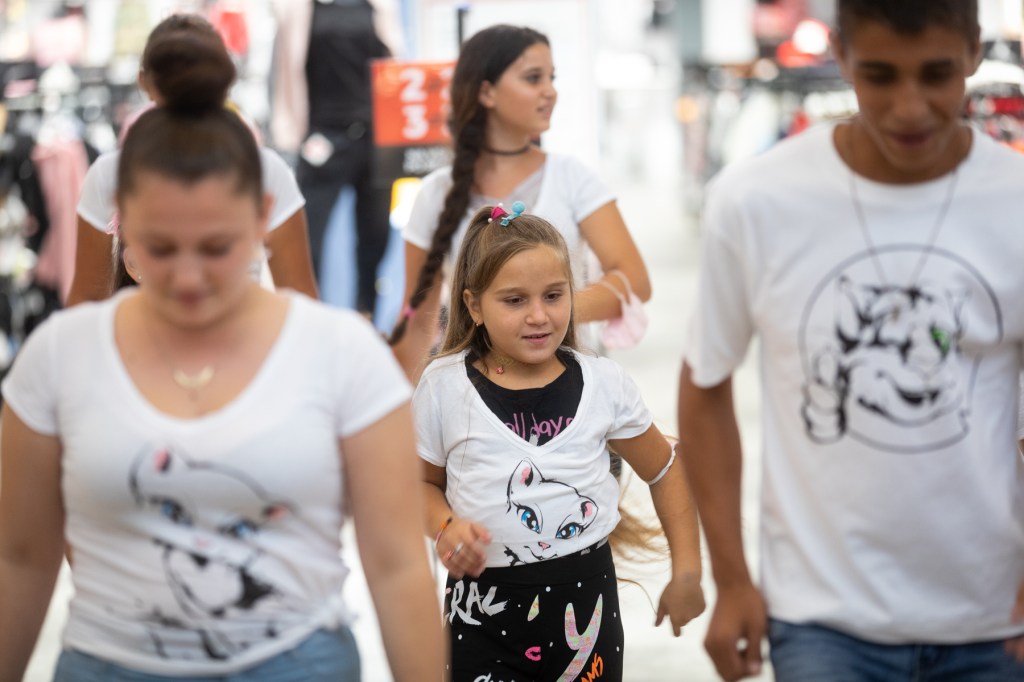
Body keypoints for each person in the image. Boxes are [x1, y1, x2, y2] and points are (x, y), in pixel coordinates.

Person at [0, 36, 442, 682]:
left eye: (215, 247)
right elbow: (20, 559)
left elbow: (398, 566)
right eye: (159, 247)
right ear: (122, 228)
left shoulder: (341, 356)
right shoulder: (60, 358)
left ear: (262, 218)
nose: (188, 277)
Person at [677, 1, 1024, 680]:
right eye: (880, 75)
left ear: (974, 53)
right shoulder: (756, 200)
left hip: (996, 622)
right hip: (822, 622)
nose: (909, 107)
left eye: (936, 74)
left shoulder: (1015, 200)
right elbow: (705, 384)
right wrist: (732, 579)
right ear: (839, 54)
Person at [414, 204, 704, 681]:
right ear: (473, 306)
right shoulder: (444, 388)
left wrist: (688, 570)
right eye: (514, 300)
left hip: (587, 615)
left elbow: (665, 467)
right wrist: (446, 527)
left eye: (553, 295)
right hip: (481, 619)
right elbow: (420, 485)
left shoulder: (604, 384)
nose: (538, 316)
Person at [391, 24, 651, 381]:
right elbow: (417, 324)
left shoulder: (572, 178)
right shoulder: (436, 193)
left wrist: (544, 309)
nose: (550, 92)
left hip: (569, 389)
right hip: (471, 395)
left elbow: (636, 280)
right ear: (486, 92)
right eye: (533, 78)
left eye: (551, 78)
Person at [67, 13, 319, 306]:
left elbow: (85, 303)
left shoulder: (111, 171)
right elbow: (302, 303)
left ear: (143, 81)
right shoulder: (265, 169)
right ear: (227, 79)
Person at [270, 0, 403, 317]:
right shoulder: (298, 9)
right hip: (322, 136)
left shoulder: (379, 7)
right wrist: (288, 131)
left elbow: (395, 63)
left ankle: (367, 314)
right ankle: (308, 317)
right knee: (308, 237)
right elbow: (283, 70)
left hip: (375, 137)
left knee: (375, 235)